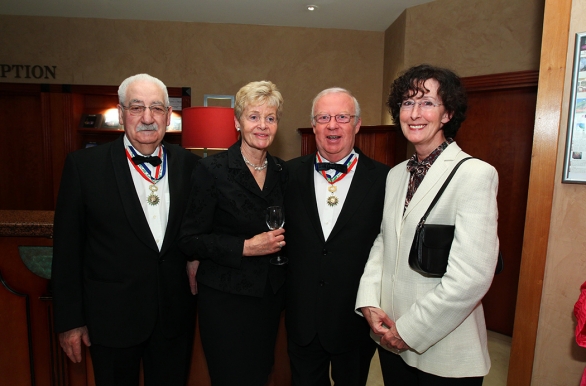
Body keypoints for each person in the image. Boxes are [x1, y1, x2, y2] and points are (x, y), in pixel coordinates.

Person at [356, 64, 500, 385]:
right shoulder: (396, 175)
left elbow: (472, 278)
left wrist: (410, 331)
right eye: (407, 102)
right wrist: (368, 300)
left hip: (442, 346)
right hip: (390, 339)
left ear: (447, 114)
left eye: (427, 102)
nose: (415, 112)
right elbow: (384, 242)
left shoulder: (474, 175)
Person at [52, 73, 199, 386]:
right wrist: (70, 322)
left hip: (173, 319)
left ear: (169, 116)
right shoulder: (83, 167)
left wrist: (196, 256)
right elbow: (67, 251)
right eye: (136, 108)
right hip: (111, 320)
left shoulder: (190, 165)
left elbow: (197, 228)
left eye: (157, 108)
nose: (147, 117)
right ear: (121, 114)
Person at [179, 80, 287, 386]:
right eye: (254, 117)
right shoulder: (211, 170)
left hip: (269, 299)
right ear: (237, 122)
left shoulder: (283, 172)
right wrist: (245, 247)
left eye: (270, 118)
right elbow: (189, 239)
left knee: (261, 374)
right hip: (226, 300)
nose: (262, 126)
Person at [284, 87, 390, 386]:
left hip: (355, 319)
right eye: (324, 117)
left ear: (357, 124)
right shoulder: (287, 174)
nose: (333, 125)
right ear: (314, 125)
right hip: (302, 319)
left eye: (343, 116)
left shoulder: (385, 179)